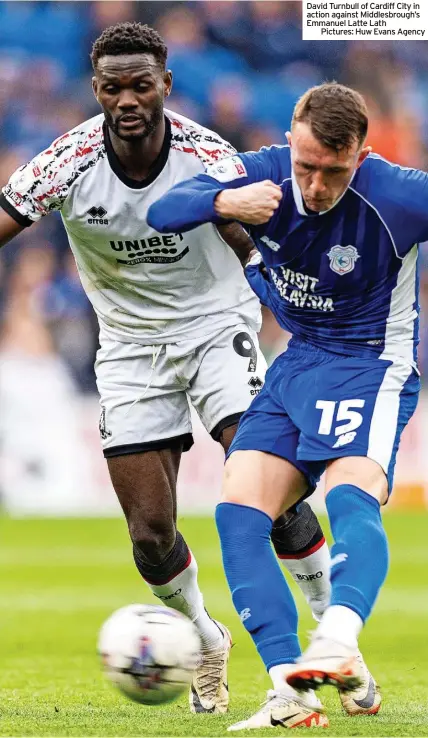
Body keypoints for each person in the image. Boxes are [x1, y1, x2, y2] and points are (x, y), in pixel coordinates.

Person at [0, 23, 335, 715]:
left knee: (265, 485)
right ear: (95, 89)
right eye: (112, 87)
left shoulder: (206, 154)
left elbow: (252, 239)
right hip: (127, 346)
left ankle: (333, 635)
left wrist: (283, 300)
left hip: (215, 327)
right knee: (150, 537)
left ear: (166, 87)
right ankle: (205, 637)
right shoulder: (65, 161)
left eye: (140, 85)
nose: (127, 99)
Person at [147, 81, 423, 729]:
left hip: (369, 364)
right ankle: (288, 688)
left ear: (360, 154)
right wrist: (223, 199)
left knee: (353, 494)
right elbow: (164, 211)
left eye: (334, 170)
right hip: (296, 364)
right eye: (306, 167)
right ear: (290, 139)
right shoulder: (260, 174)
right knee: (239, 512)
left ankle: (339, 639)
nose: (317, 184)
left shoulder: (397, 195)